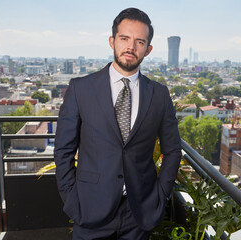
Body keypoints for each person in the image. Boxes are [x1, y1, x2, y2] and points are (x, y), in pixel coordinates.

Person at [54, 8, 182, 240]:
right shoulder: (80, 89)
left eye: (139, 41)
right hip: (89, 209)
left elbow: (172, 150)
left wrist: (160, 195)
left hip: (139, 213)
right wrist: (71, 199)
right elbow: (63, 150)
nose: (131, 47)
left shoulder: (160, 95)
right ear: (112, 41)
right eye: (124, 38)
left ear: (148, 49)